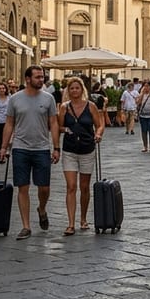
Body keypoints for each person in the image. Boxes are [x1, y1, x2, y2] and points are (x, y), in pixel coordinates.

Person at [0, 65, 60, 240]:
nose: (41, 80)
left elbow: (54, 124)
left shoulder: (48, 99)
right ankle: (26, 226)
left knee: (44, 187)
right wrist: (4, 147)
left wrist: (56, 147)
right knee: (22, 187)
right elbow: (9, 123)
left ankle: (42, 208)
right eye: (38, 77)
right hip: (20, 148)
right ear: (27, 79)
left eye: (42, 77)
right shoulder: (15, 99)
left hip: (42, 147)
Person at [59, 76, 103, 235]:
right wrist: (66, 131)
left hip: (87, 149)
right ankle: (70, 223)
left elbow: (99, 125)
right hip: (69, 150)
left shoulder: (90, 106)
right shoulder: (64, 107)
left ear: (82, 89)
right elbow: (59, 126)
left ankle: (83, 218)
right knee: (71, 187)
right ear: (68, 91)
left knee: (84, 187)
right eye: (72, 88)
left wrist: (98, 135)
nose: (74, 90)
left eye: (77, 88)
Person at [134, 82, 150, 153]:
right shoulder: (141, 95)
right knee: (144, 131)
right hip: (143, 115)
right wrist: (141, 94)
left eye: (147, 86)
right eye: (144, 86)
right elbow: (138, 103)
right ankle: (145, 146)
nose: (146, 87)